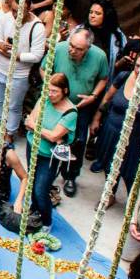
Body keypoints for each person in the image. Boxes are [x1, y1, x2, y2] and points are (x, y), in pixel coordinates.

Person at [94, 54, 140, 198]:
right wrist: (96, 118)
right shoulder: (124, 76)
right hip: (112, 130)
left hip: (135, 138)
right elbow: (107, 97)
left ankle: (133, 203)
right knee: (110, 165)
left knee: (130, 172)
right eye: (137, 65)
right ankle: (110, 195)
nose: (139, 70)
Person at [52, 28, 108, 197]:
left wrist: (93, 96)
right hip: (57, 104)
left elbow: (103, 78)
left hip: (81, 107)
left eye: (78, 49)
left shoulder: (99, 57)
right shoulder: (60, 48)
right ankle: (49, 173)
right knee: (53, 137)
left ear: (88, 49)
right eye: (71, 45)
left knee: (78, 142)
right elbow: (43, 69)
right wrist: (53, 90)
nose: (72, 50)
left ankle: (70, 176)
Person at [0, 0, 45, 138]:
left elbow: (37, 55)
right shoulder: (7, 17)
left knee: (13, 106)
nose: (15, 16)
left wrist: (16, 56)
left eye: (19, 12)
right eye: (13, 11)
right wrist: (0, 44)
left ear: (28, 8)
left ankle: (10, 133)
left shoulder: (37, 27)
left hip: (19, 74)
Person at [22, 73, 77, 233]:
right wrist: (47, 133)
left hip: (50, 156)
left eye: (55, 91)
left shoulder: (70, 112)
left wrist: (37, 128)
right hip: (32, 146)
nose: (50, 95)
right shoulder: (44, 99)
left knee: (41, 188)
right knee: (32, 181)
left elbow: (55, 136)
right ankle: (34, 209)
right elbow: (28, 122)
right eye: (49, 90)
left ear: (65, 90)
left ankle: (46, 221)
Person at [81, 0, 127, 83]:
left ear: (106, 15)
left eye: (97, 13)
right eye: (91, 12)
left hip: (102, 80)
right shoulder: (81, 30)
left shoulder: (117, 36)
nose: (92, 16)